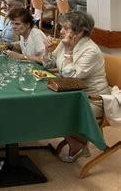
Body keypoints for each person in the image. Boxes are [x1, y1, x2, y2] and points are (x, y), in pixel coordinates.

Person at [43, 11, 110, 162]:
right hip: (70, 94)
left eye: (66, 28)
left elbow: (70, 78)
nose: (61, 31)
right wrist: (47, 50)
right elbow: (49, 65)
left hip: (93, 99)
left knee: (51, 110)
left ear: (79, 32)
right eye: (61, 27)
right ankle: (77, 141)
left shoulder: (90, 50)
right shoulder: (66, 42)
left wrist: (68, 51)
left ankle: (78, 143)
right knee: (42, 105)